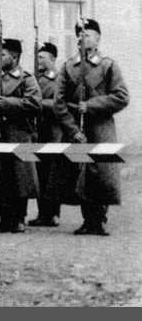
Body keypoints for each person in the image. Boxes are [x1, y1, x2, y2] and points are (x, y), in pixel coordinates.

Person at [50, 19, 129, 236]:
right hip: (77, 129)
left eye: (86, 34)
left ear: (97, 38)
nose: (80, 38)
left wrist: (92, 105)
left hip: (101, 128)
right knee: (79, 174)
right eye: (78, 34)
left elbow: (122, 97)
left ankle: (99, 220)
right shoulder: (68, 67)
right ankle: (88, 220)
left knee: (100, 175)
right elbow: (59, 103)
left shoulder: (108, 66)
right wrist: (72, 130)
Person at [0, 39, 42, 233]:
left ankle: (19, 217)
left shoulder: (27, 79)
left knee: (20, 178)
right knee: (1, 177)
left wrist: (8, 103)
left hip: (18, 133)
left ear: (15, 56)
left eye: (3, 54)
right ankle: (4, 218)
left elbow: (35, 104)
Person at [29, 42, 61, 227]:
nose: (38, 60)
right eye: (38, 57)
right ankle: (43, 213)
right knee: (40, 172)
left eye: (42, 57)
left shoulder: (59, 80)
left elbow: (59, 103)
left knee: (52, 174)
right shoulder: (35, 79)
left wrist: (39, 104)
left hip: (53, 131)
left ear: (52, 59)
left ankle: (53, 214)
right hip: (38, 131)